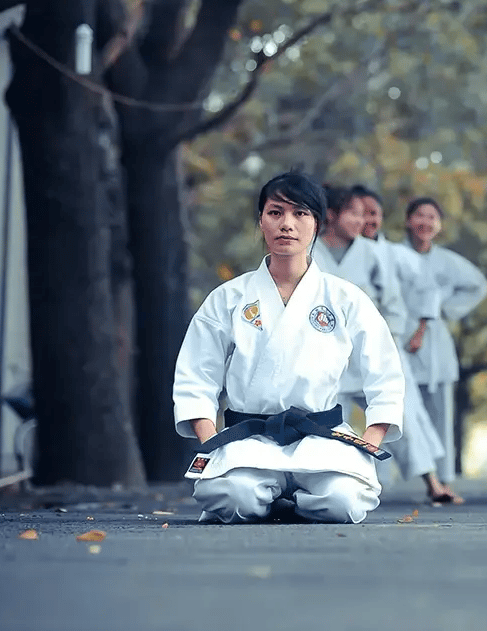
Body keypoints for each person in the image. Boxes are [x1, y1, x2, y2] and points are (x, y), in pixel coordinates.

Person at [172, 171, 404, 524]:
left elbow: (385, 371)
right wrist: (212, 441)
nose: (287, 224)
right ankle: (278, 500)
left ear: (318, 224)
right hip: (251, 438)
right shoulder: (229, 298)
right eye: (276, 212)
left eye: (301, 214)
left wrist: (372, 438)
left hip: (320, 437)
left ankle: (286, 500)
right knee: (232, 498)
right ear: (261, 221)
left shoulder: (344, 298)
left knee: (343, 502)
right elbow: (196, 373)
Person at [317, 185, 457, 505]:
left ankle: (432, 482)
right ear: (331, 215)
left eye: (366, 213)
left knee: (400, 415)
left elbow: (394, 302)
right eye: (353, 213)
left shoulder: (374, 252)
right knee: (317, 414)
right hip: (326, 354)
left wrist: (392, 340)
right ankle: (318, 478)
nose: (361, 220)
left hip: (372, 350)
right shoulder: (310, 252)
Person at [399, 196, 487, 483]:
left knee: (440, 412)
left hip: (435, 340)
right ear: (408, 220)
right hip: (400, 335)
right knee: (399, 409)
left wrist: (446, 308)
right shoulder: (393, 255)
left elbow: (478, 285)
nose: (425, 222)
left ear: (438, 225)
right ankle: (393, 477)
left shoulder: (446, 261)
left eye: (432, 217)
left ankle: (444, 478)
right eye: (420, 216)